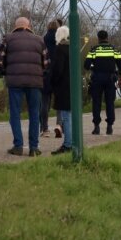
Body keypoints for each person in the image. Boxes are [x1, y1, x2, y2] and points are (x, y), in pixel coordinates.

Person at [0, 17, 48, 156]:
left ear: (15, 26)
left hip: (15, 82)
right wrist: (39, 74)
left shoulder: (8, 39)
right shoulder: (39, 40)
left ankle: (18, 146)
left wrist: (6, 72)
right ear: (28, 26)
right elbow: (46, 63)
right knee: (34, 114)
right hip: (35, 83)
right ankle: (34, 148)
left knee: (15, 114)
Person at [84, 30, 121, 135]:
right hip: (110, 78)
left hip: (97, 78)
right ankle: (109, 126)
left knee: (96, 102)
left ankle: (96, 126)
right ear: (107, 37)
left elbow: (86, 65)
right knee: (110, 102)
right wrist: (120, 78)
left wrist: (94, 67)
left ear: (98, 38)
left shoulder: (94, 50)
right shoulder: (114, 49)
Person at [49, 25, 73, 155]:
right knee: (71, 116)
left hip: (63, 87)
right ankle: (73, 142)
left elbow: (58, 69)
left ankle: (68, 144)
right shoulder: (72, 49)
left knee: (66, 116)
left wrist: (52, 81)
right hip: (72, 86)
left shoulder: (60, 50)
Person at [40, 20, 60, 138]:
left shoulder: (43, 40)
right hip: (57, 74)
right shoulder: (59, 40)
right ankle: (59, 125)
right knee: (59, 103)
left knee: (44, 102)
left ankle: (44, 128)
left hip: (46, 73)